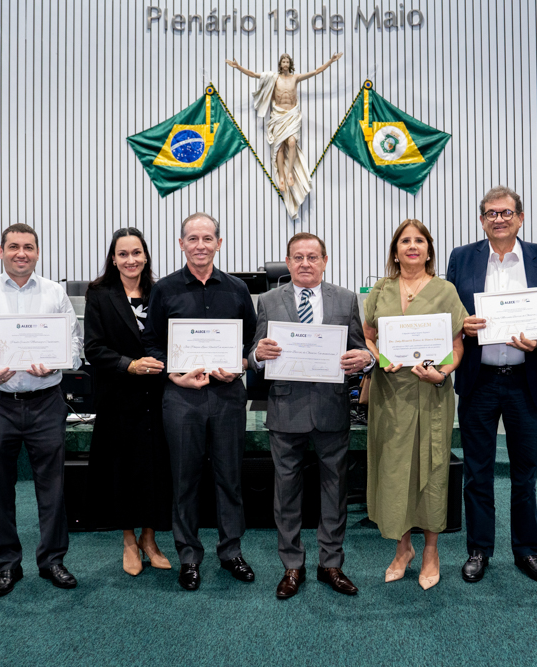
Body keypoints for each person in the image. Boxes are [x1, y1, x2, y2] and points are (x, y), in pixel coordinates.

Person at [0, 223, 84, 597]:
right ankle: (6, 566)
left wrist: (57, 362)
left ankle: (53, 560)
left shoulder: (55, 294)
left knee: (53, 487)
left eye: (28, 247)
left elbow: (74, 345)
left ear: (38, 253)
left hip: (46, 402)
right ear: (2, 251)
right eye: (13, 247)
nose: (21, 253)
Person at [446, 186, 537, 585]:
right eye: (490, 213)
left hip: (525, 380)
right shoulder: (462, 258)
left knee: (525, 472)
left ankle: (526, 550)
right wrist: (460, 325)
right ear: (481, 220)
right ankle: (479, 549)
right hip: (479, 380)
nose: (498, 219)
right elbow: (448, 313)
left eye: (506, 213)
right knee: (477, 470)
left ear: (520, 218)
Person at [249, 232, 374, 599]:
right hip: (286, 408)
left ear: (325, 260)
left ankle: (330, 564)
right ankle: (292, 566)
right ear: (287, 263)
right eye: (298, 257)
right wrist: (259, 354)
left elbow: (359, 349)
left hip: (331, 408)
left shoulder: (346, 299)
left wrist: (364, 360)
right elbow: (254, 355)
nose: (305, 263)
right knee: (286, 492)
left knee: (334, 491)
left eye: (313, 257)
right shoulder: (269, 300)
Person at [142, 212, 258, 592]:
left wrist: (239, 365)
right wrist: (171, 374)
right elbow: (152, 343)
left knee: (230, 479)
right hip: (181, 397)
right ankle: (189, 557)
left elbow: (251, 343)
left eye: (207, 238)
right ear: (181, 244)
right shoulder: (164, 290)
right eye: (192, 238)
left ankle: (231, 552)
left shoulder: (237, 289)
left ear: (219, 244)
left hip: (226, 396)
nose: (200, 245)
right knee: (184, 479)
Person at [362, 219, 467, 591]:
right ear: (395, 251)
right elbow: (369, 336)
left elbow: (457, 348)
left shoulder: (445, 290)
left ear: (428, 249)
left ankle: (431, 552)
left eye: (419, 240)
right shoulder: (381, 289)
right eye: (405, 240)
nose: (412, 246)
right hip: (390, 394)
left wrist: (442, 374)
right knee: (394, 471)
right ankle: (403, 548)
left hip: (432, 394)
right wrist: (379, 357)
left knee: (432, 470)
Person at [83, 228, 173, 576]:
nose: (131, 260)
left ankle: (150, 539)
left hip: (159, 395)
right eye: (123, 254)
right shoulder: (100, 294)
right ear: (113, 258)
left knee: (155, 470)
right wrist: (129, 365)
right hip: (119, 396)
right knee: (122, 471)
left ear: (146, 256)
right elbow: (93, 348)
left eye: (137, 253)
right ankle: (128, 540)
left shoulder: (161, 291)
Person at [226, 52, 343, 217]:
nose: (286, 62)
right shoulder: (273, 78)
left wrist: (330, 61)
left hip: (292, 114)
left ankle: (289, 173)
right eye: (283, 60)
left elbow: (316, 72)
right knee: (279, 148)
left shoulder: (295, 78)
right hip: (278, 115)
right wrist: (238, 67)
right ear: (280, 64)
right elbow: (253, 74)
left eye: (288, 60)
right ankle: (281, 176)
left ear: (290, 63)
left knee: (293, 142)